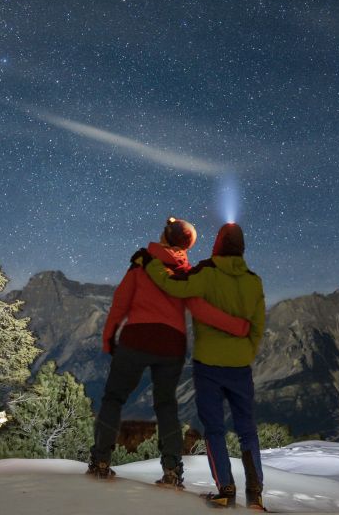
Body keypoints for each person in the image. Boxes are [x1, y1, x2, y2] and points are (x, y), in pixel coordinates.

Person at [86, 217, 250, 490]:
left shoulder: (141, 264)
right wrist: (236, 325)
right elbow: (201, 310)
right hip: (171, 346)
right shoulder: (187, 273)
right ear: (186, 245)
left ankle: (101, 461)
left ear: (165, 237)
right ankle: (172, 470)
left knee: (113, 397)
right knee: (166, 405)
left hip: (137, 339)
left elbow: (120, 302)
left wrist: (108, 338)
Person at [144, 222, 266, 511]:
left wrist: (152, 264)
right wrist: (246, 351)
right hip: (240, 366)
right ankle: (255, 494)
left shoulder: (206, 272)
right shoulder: (253, 280)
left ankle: (225, 489)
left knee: (214, 429)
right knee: (247, 430)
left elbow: (172, 285)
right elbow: (258, 325)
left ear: (218, 244)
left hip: (208, 365)